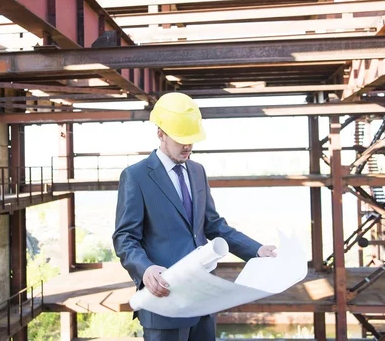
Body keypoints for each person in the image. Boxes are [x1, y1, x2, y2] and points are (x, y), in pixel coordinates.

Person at [113, 92, 276, 341]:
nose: (188, 146)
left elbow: (213, 225)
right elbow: (125, 237)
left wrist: (256, 250)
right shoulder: (136, 176)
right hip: (164, 301)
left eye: (191, 139)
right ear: (161, 134)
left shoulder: (197, 171)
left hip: (202, 300)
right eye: (181, 139)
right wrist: (145, 269)